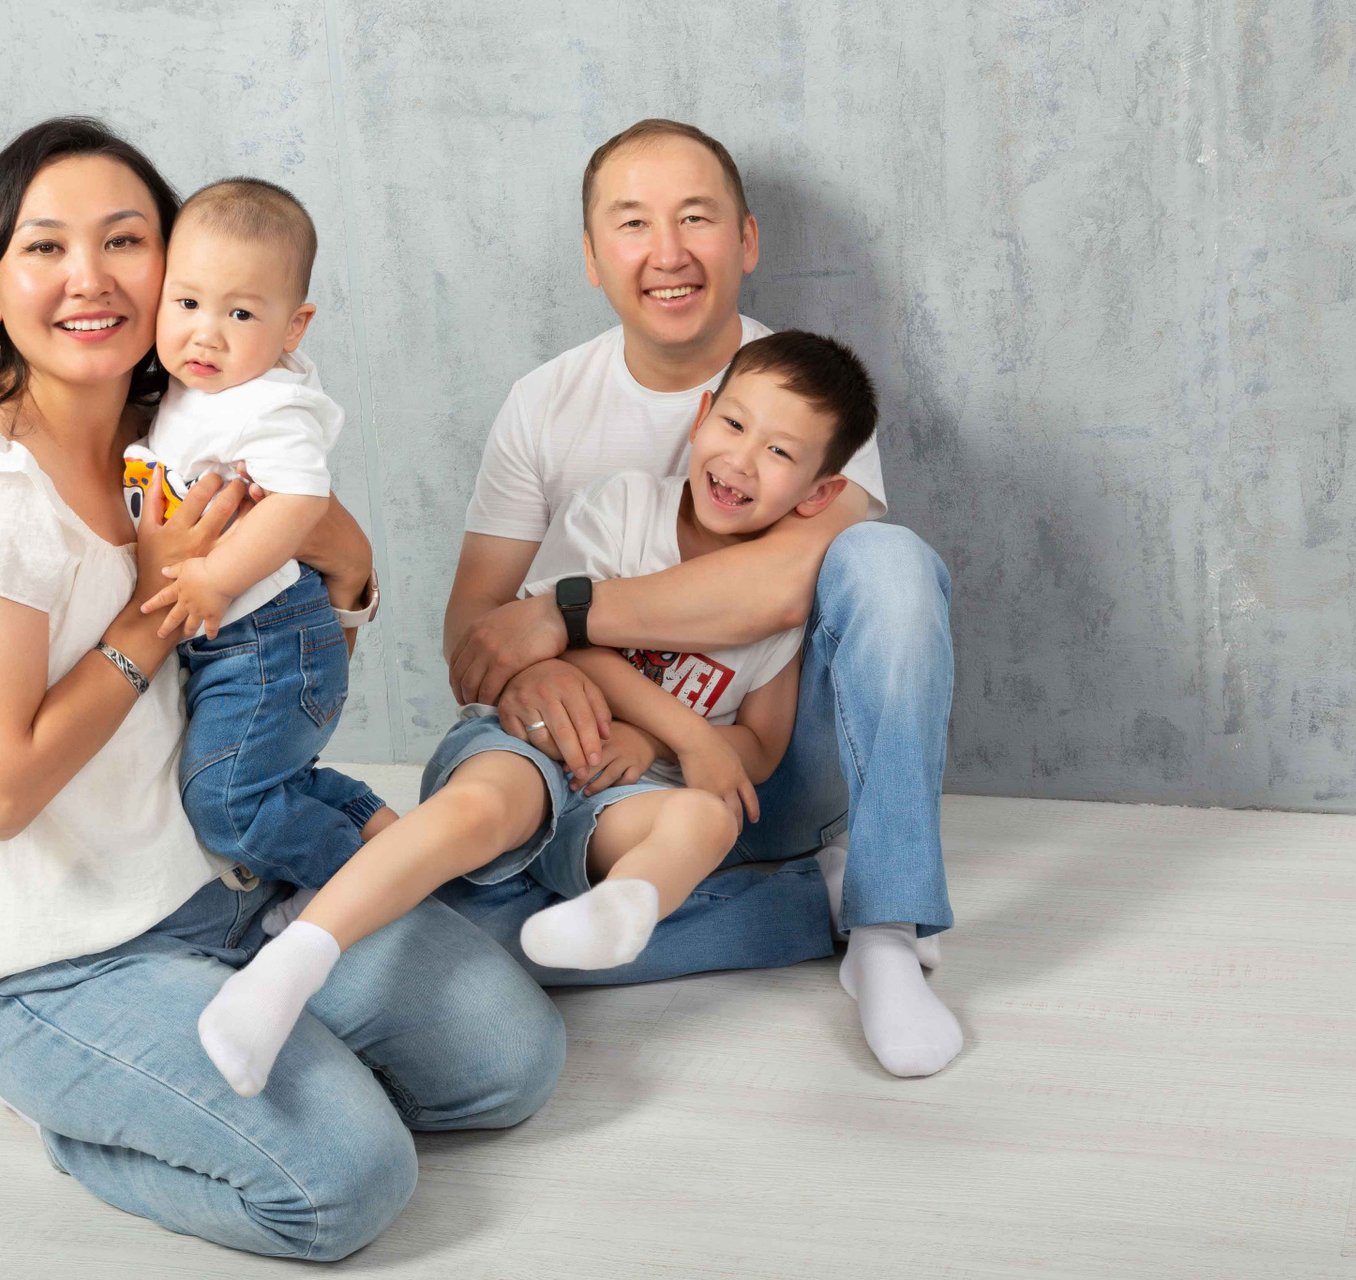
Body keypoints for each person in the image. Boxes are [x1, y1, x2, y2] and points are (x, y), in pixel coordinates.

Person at [0, 117, 562, 1263]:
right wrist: (158, 600)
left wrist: (334, 576)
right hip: (55, 954)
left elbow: (324, 592)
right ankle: (75, 1110)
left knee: (509, 1063)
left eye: (124, 241)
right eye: (45, 247)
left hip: (221, 882)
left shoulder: (188, 433)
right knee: (346, 1183)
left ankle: (234, 1045)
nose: (90, 277)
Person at [197, 330, 878, 1099]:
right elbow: (556, 646)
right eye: (733, 425)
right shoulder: (623, 508)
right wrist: (683, 732)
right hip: (530, 741)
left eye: (781, 453)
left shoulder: (780, 608)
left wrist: (653, 743)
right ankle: (289, 968)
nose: (743, 461)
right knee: (486, 806)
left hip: (624, 790)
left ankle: (617, 911)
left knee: (706, 819)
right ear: (700, 418)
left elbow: (757, 745)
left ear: (818, 495)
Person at [441, 118, 963, 1078]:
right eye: (632, 223)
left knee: (890, 562)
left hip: (764, 762)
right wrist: (528, 679)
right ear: (592, 256)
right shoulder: (544, 403)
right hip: (610, 768)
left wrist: (561, 615)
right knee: (474, 941)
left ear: (747, 240)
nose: (669, 253)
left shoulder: (806, 393)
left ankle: (888, 928)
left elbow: (779, 589)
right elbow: (476, 631)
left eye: (696, 218)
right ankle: (817, 906)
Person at [126, 178, 393, 892]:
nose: (206, 333)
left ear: (293, 328)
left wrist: (218, 577)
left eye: (240, 313)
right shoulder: (193, 385)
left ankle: (368, 889)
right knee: (271, 778)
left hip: (268, 638)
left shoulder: (271, 403)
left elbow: (302, 499)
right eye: (186, 303)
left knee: (226, 805)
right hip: (238, 639)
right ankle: (386, 833)